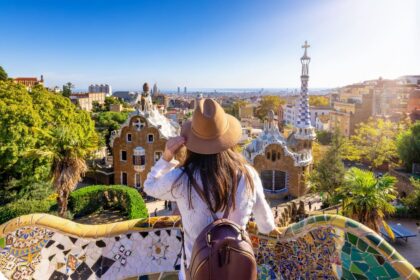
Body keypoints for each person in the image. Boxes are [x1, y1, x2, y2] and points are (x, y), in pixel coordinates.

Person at [144, 98, 276, 280]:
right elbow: (266, 226)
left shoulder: (183, 178)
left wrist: (167, 156)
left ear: (192, 142)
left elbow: (149, 187)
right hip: (236, 272)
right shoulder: (248, 175)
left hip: (196, 272)